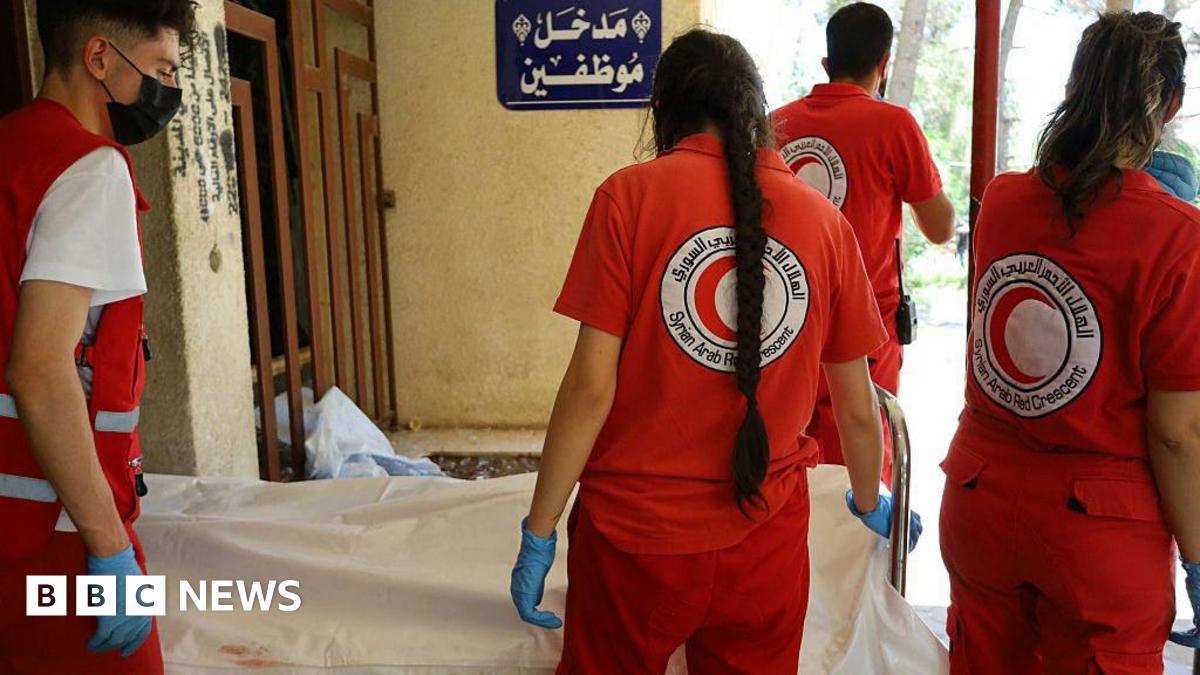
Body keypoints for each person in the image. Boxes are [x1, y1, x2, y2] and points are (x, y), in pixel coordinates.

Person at [508, 29, 921, 675]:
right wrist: (871, 500)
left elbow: (591, 388)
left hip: (633, 549)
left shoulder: (629, 198)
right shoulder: (825, 225)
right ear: (755, 113)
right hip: (765, 545)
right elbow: (857, 408)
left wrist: (540, 529)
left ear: (665, 111)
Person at [940, 12, 1200, 672]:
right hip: (1099, 532)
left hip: (982, 503)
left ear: (1074, 89)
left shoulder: (1002, 201)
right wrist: (1199, 557)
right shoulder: (1175, 234)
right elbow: (1176, 431)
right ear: (1171, 103)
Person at [0, 1, 194, 672]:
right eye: (163, 70)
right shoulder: (89, 171)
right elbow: (39, 368)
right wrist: (109, 546)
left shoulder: (10, 147)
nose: (169, 93)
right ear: (100, 57)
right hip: (56, 530)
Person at [772, 2, 955, 481]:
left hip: (784, 321)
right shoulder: (894, 125)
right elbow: (939, 229)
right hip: (867, 331)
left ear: (827, 65)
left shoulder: (773, 126)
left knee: (790, 464)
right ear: (884, 64)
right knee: (862, 465)